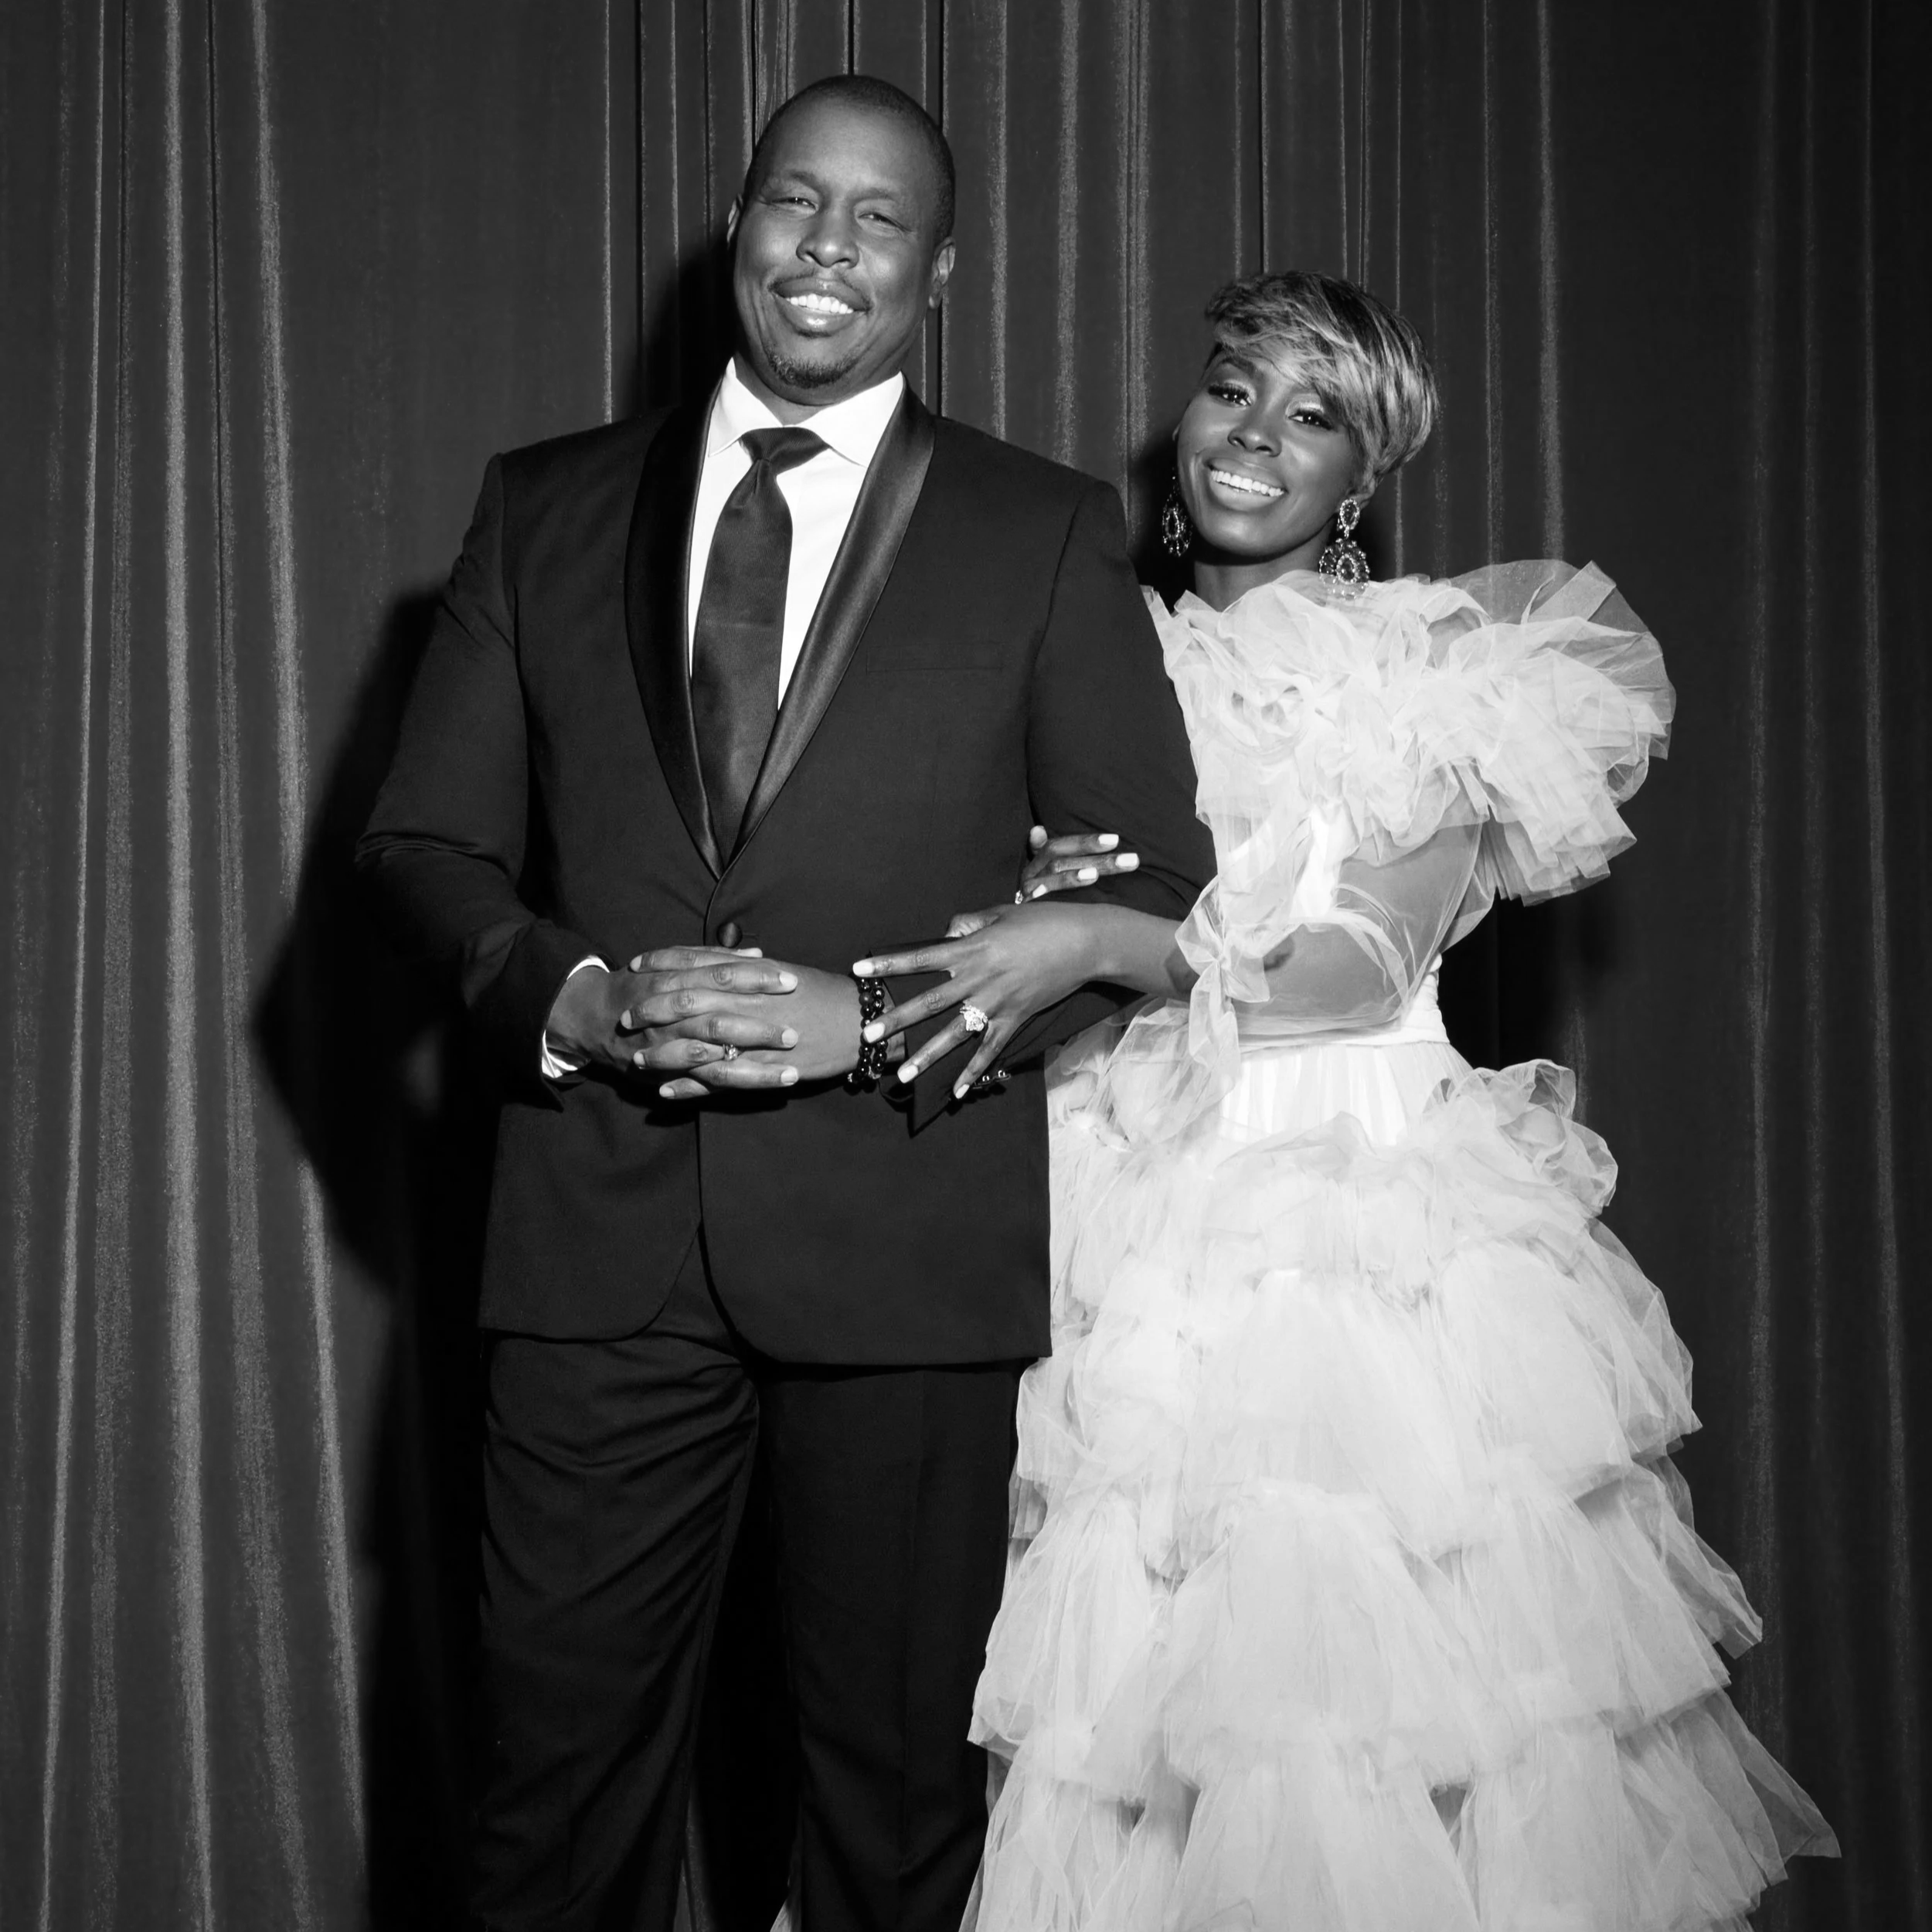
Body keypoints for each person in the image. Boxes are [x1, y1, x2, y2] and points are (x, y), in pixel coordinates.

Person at [859, 270, 1838, 1928]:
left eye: (1310, 416)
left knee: (1361, 1725)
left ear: (1359, 479)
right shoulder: (1087, 637)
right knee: (1107, 1708)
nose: (1252, 438)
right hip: (1109, 1191)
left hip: (1354, 1217)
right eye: (1231, 391)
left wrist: (1106, 930)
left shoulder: (1434, 666)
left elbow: (1354, 972)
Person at [356, 74, 1213, 1932]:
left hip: (905, 1238)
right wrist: (576, 994)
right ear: (733, 227)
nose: (825, 247)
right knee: (548, 1802)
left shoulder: (1045, 529)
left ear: (940, 267)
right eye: (791, 203)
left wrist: (876, 1020)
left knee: (889, 1813)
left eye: (876, 217)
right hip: (593, 1251)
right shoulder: (542, 507)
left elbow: (1152, 882)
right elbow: (421, 850)